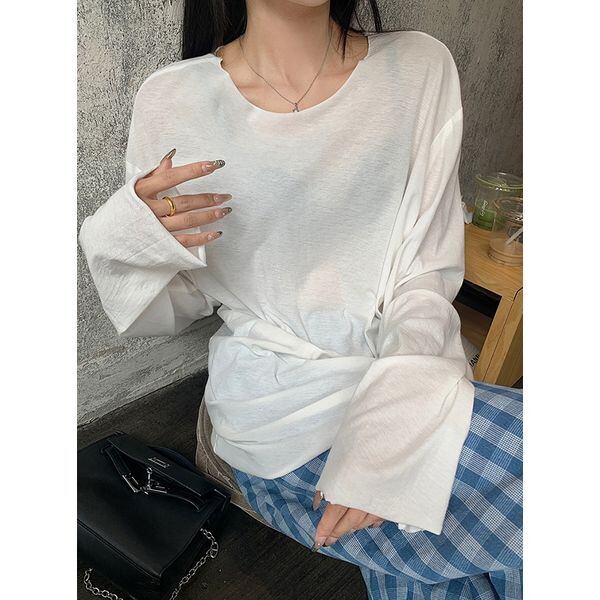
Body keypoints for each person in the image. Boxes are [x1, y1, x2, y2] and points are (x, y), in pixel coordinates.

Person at [79, 1, 523, 598]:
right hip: (274, 406)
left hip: (408, 367)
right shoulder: (173, 98)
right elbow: (172, 306)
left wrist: (394, 425)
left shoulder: (419, 67)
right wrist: (130, 240)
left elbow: (424, 273)